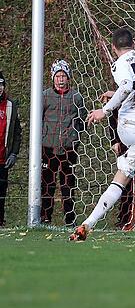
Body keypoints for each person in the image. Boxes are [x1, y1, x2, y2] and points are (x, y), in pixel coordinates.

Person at [70, 27, 135, 241]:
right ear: (134, 44)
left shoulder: (119, 63)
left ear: (113, 47)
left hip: (127, 128)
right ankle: (89, 223)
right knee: (123, 177)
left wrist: (105, 109)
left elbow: (127, 86)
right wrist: (111, 102)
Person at [41, 60, 87, 226]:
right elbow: (38, 119)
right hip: (48, 147)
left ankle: (70, 218)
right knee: (47, 184)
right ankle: (45, 217)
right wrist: (43, 137)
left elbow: (82, 119)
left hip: (69, 148)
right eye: (58, 76)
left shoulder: (76, 97)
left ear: (68, 78)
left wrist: (75, 137)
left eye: (63, 76)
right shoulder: (45, 96)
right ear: (53, 78)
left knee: (68, 184)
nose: (60, 79)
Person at [0, 71, 22, 227]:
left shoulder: (11, 105)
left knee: (1, 192)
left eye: (1, 85)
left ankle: (0, 221)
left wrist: (14, 153)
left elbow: (17, 132)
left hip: (3, 158)